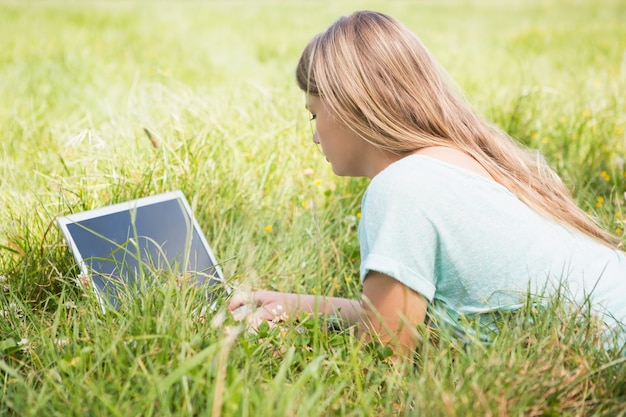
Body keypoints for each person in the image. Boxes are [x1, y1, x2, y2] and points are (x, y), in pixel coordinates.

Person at [228, 10, 626, 358]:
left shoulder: (400, 188)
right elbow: (400, 316)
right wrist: (299, 306)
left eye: (313, 115)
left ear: (345, 102)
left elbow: (383, 356)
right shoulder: (462, 159)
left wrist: (279, 346)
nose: (314, 136)